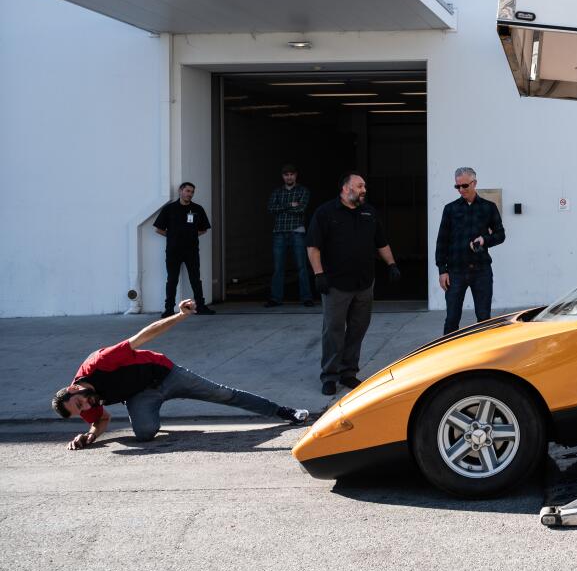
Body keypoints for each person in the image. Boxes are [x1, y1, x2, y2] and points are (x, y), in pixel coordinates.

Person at [51, 299, 308, 449]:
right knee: (144, 434)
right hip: (141, 395)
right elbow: (101, 420)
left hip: (166, 374)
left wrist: (180, 315)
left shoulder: (100, 362)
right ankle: (149, 409)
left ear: (74, 388)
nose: (86, 407)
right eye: (80, 411)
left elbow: (144, 336)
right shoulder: (86, 402)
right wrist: (90, 436)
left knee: (223, 394)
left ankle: (284, 412)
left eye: (80, 403)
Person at [306, 172, 403, 396]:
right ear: (345, 188)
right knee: (334, 330)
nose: (364, 190)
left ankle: (348, 371)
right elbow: (313, 246)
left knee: (358, 328)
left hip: (364, 283)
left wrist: (392, 264)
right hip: (336, 284)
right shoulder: (325, 213)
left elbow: (381, 242)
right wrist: (318, 274)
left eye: (364, 186)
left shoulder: (369, 212)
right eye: (359, 186)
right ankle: (329, 375)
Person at [435, 167, 506, 335]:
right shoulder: (450, 209)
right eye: (457, 187)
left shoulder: (489, 207)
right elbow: (442, 241)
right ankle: (448, 355)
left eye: (464, 186)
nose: (461, 190)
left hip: (481, 271)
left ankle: (484, 356)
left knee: (483, 318)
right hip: (455, 272)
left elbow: (501, 235)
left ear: (474, 183)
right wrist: (442, 270)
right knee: (452, 318)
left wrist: (484, 239)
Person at [153, 181, 215, 316]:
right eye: (187, 191)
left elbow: (203, 229)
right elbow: (159, 229)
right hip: (173, 251)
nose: (190, 194)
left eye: (192, 192)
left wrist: (190, 236)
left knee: (195, 279)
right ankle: (169, 309)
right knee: (172, 280)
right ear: (180, 191)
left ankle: (201, 307)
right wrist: (173, 237)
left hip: (191, 250)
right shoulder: (169, 209)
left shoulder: (197, 209)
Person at [266, 163, 313, 307]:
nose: (289, 177)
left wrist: (284, 207)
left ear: (295, 175)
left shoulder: (303, 191)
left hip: (297, 231)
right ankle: (275, 298)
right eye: (286, 175)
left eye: (291, 174)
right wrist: (290, 205)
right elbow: (271, 209)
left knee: (301, 267)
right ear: (283, 177)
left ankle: (306, 298)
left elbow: (301, 209)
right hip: (279, 232)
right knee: (278, 268)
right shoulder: (277, 192)